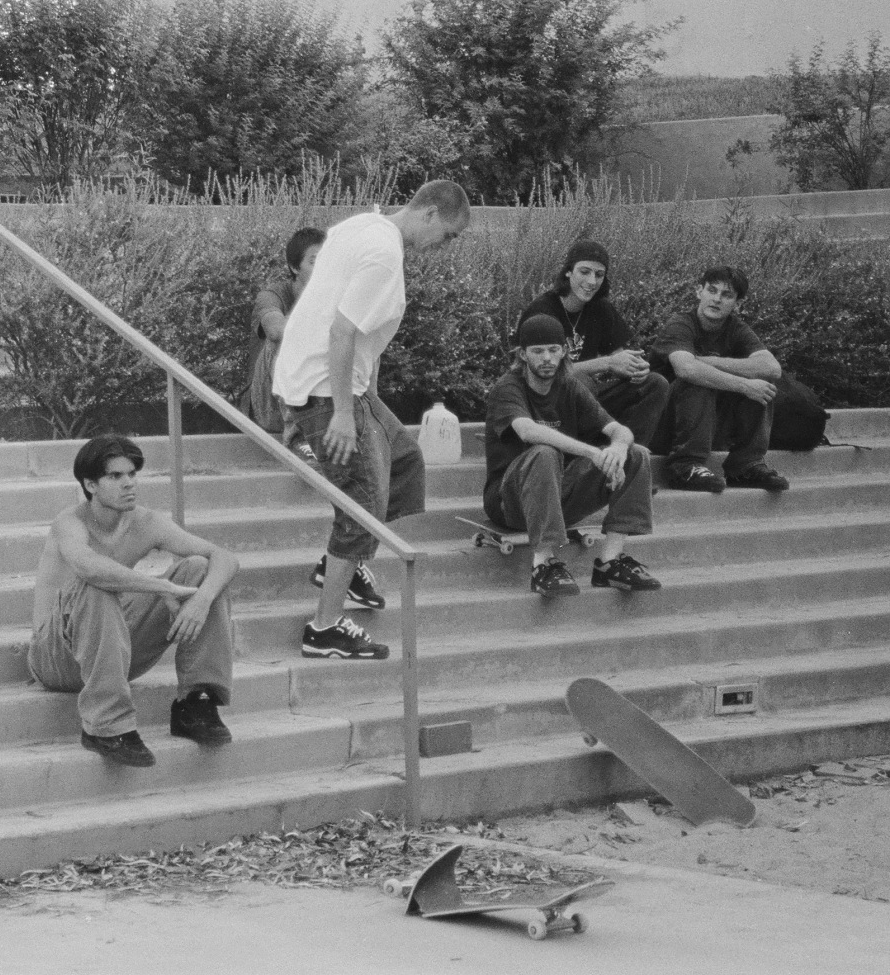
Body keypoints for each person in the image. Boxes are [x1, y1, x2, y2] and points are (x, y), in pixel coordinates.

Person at [273, 180, 471, 657]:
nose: (444, 247)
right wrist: (344, 412)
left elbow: (354, 327)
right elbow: (342, 332)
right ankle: (324, 627)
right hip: (327, 390)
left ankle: (345, 565)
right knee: (361, 507)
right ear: (427, 213)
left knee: (404, 461)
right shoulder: (384, 256)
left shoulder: (365, 224)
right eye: (447, 235)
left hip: (339, 383)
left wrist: (366, 396)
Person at [27, 436, 241, 768]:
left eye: (132, 474)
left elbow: (224, 557)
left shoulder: (145, 521)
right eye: (115, 476)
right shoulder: (69, 522)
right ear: (90, 484)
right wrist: (158, 587)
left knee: (202, 570)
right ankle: (107, 727)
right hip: (55, 657)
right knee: (96, 583)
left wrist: (202, 599)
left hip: (113, 649)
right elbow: (88, 566)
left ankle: (197, 703)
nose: (129, 483)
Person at [484, 314, 660, 598]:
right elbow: (528, 431)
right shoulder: (507, 388)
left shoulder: (569, 386)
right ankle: (544, 565)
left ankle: (610, 562)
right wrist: (591, 452)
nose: (547, 358)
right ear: (522, 355)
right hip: (510, 503)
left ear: (564, 351)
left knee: (635, 454)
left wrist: (617, 447)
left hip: (557, 496)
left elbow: (619, 429)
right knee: (544, 452)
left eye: (554, 350)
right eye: (538, 351)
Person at [516, 239, 669, 446]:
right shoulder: (543, 310)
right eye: (584, 272)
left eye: (599, 275)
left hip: (586, 402)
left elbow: (618, 358)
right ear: (568, 272)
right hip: (547, 405)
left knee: (654, 384)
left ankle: (630, 457)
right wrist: (605, 364)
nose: (591, 281)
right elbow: (533, 373)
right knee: (581, 381)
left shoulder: (601, 309)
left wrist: (634, 367)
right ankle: (578, 455)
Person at [652, 266, 789, 493]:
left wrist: (708, 361)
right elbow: (686, 369)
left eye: (726, 295)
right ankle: (684, 466)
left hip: (707, 426)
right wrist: (744, 384)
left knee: (763, 386)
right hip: (664, 427)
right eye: (712, 290)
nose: (716, 299)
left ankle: (744, 465)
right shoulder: (680, 324)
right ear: (699, 292)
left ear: (738, 303)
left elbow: (771, 368)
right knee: (700, 380)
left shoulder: (736, 329)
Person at [244, 226, 325, 433]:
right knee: (283, 337)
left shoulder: (334, 297)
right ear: (295, 267)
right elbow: (276, 330)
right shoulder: (273, 295)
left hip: (319, 403)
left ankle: (365, 424)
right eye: (315, 261)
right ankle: (296, 434)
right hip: (268, 406)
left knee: (353, 331)